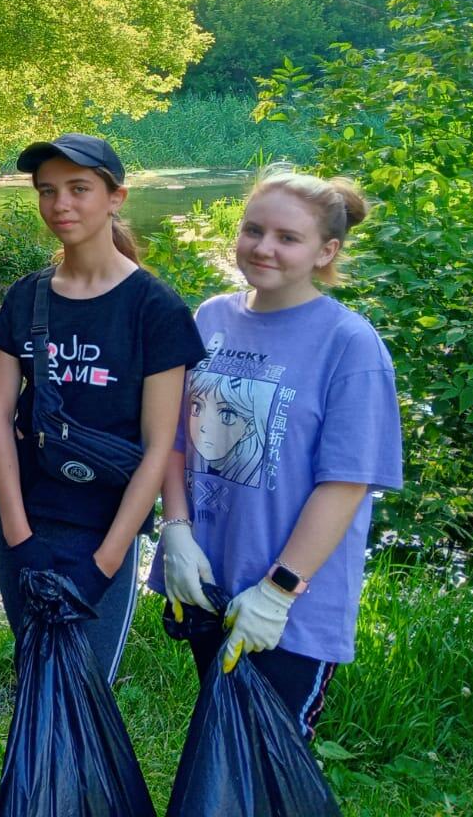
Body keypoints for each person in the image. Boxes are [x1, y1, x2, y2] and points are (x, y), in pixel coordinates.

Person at [151, 166, 401, 739]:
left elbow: (346, 483)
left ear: (325, 251)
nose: (263, 248)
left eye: (288, 238)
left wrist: (279, 589)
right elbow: (174, 438)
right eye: (253, 230)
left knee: (269, 766)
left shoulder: (349, 343)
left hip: (286, 609)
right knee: (221, 747)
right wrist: (178, 531)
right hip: (210, 580)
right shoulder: (211, 317)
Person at [0, 133, 205, 682]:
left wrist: (103, 564)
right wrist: (20, 538)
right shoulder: (26, 297)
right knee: (32, 678)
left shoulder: (155, 309)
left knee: (86, 695)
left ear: (116, 198)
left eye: (79, 189)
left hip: (104, 530)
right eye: (48, 190)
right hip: (25, 524)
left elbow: (159, 445)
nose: (61, 205)